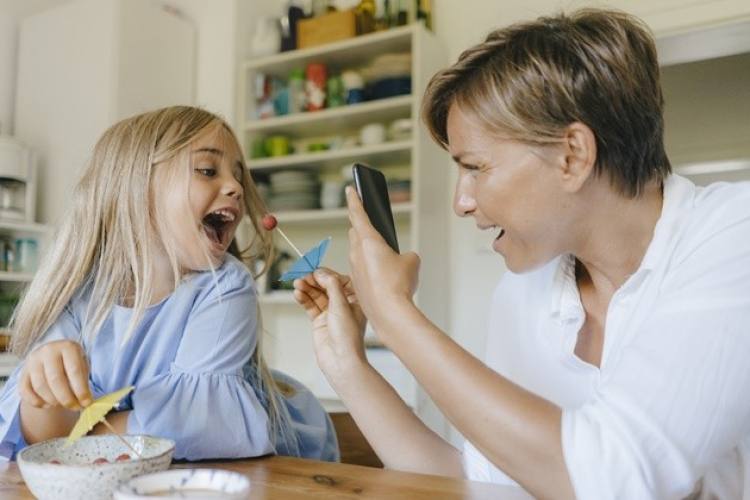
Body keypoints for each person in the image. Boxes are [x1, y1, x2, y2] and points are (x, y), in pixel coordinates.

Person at [293, 8, 750, 499]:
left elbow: (615, 478)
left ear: (572, 155)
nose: (462, 202)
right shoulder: (524, 289)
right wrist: (348, 366)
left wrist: (395, 314)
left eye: (474, 167)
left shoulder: (733, 234)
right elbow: (490, 485)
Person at [0, 106, 338, 463]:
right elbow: (39, 444)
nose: (237, 188)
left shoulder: (225, 285)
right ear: (134, 188)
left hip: (281, 467)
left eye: (239, 175)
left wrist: (83, 437)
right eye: (208, 170)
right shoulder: (76, 296)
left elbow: (197, 428)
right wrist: (45, 395)